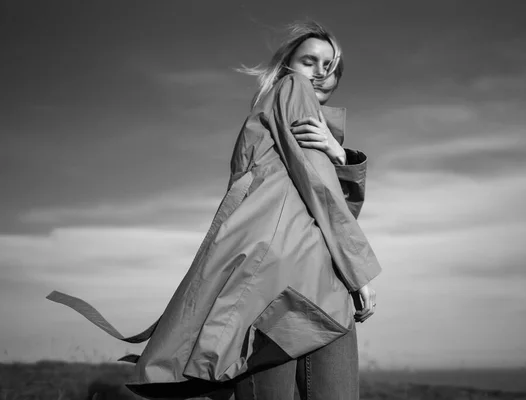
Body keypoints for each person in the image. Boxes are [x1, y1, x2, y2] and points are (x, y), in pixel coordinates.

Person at [47, 20, 381, 400]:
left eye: (331, 66)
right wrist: (359, 273)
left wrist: (339, 155)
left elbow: (321, 204)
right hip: (289, 289)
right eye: (310, 61)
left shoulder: (282, 120)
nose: (320, 73)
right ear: (287, 66)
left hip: (292, 285)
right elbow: (318, 187)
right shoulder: (293, 90)